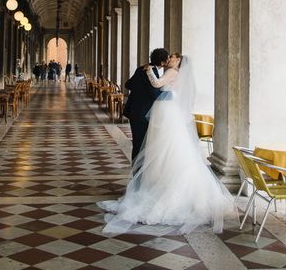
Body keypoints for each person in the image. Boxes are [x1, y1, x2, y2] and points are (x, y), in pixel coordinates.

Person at [98, 53, 232, 235]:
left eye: (174, 57)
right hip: (165, 112)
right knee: (162, 149)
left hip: (167, 113)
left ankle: (161, 189)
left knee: (165, 149)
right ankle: (154, 183)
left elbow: (156, 85)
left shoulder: (172, 72)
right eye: (169, 56)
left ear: (179, 62)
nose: (170, 58)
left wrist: (149, 72)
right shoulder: (170, 72)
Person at [121, 48, 169, 163]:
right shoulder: (152, 71)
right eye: (167, 58)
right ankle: (137, 172)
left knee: (138, 142)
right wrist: (172, 95)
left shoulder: (141, 68)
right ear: (162, 63)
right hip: (142, 114)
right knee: (139, 143)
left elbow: (128, 84)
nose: (168, 60)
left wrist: (139, 91)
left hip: (134, 111)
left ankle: (138, 169)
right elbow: (154, 94)